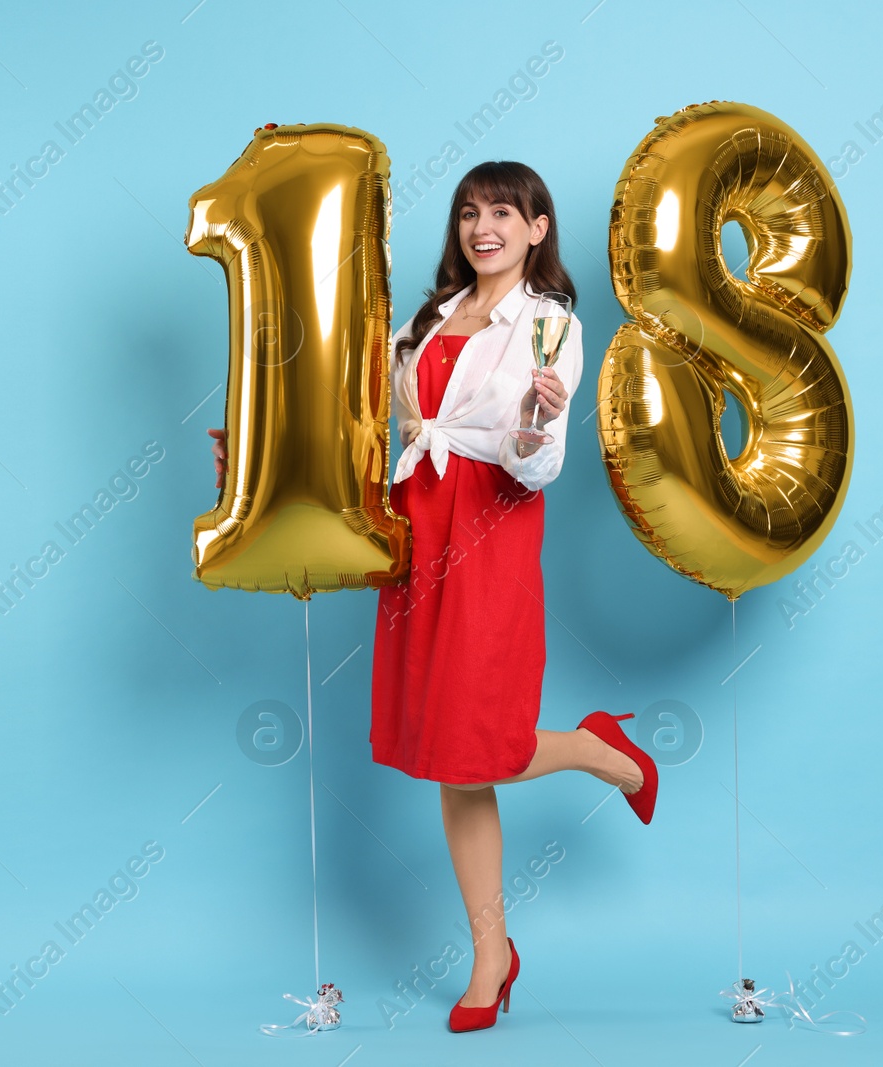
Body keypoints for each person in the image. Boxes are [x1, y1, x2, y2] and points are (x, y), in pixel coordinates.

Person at [208, 160, 658, 1034]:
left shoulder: (552, 326)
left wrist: (534, 418)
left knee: (474, 743)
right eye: (467, 213)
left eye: (502, 211)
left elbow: (541, 464)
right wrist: (257, 470)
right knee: (447, 750)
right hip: (420, 528)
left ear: (537, 228)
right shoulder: (421, 321)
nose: (481, 226)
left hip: (490, 528)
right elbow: (356, 433)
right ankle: (493, 951)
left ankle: (604, 753)